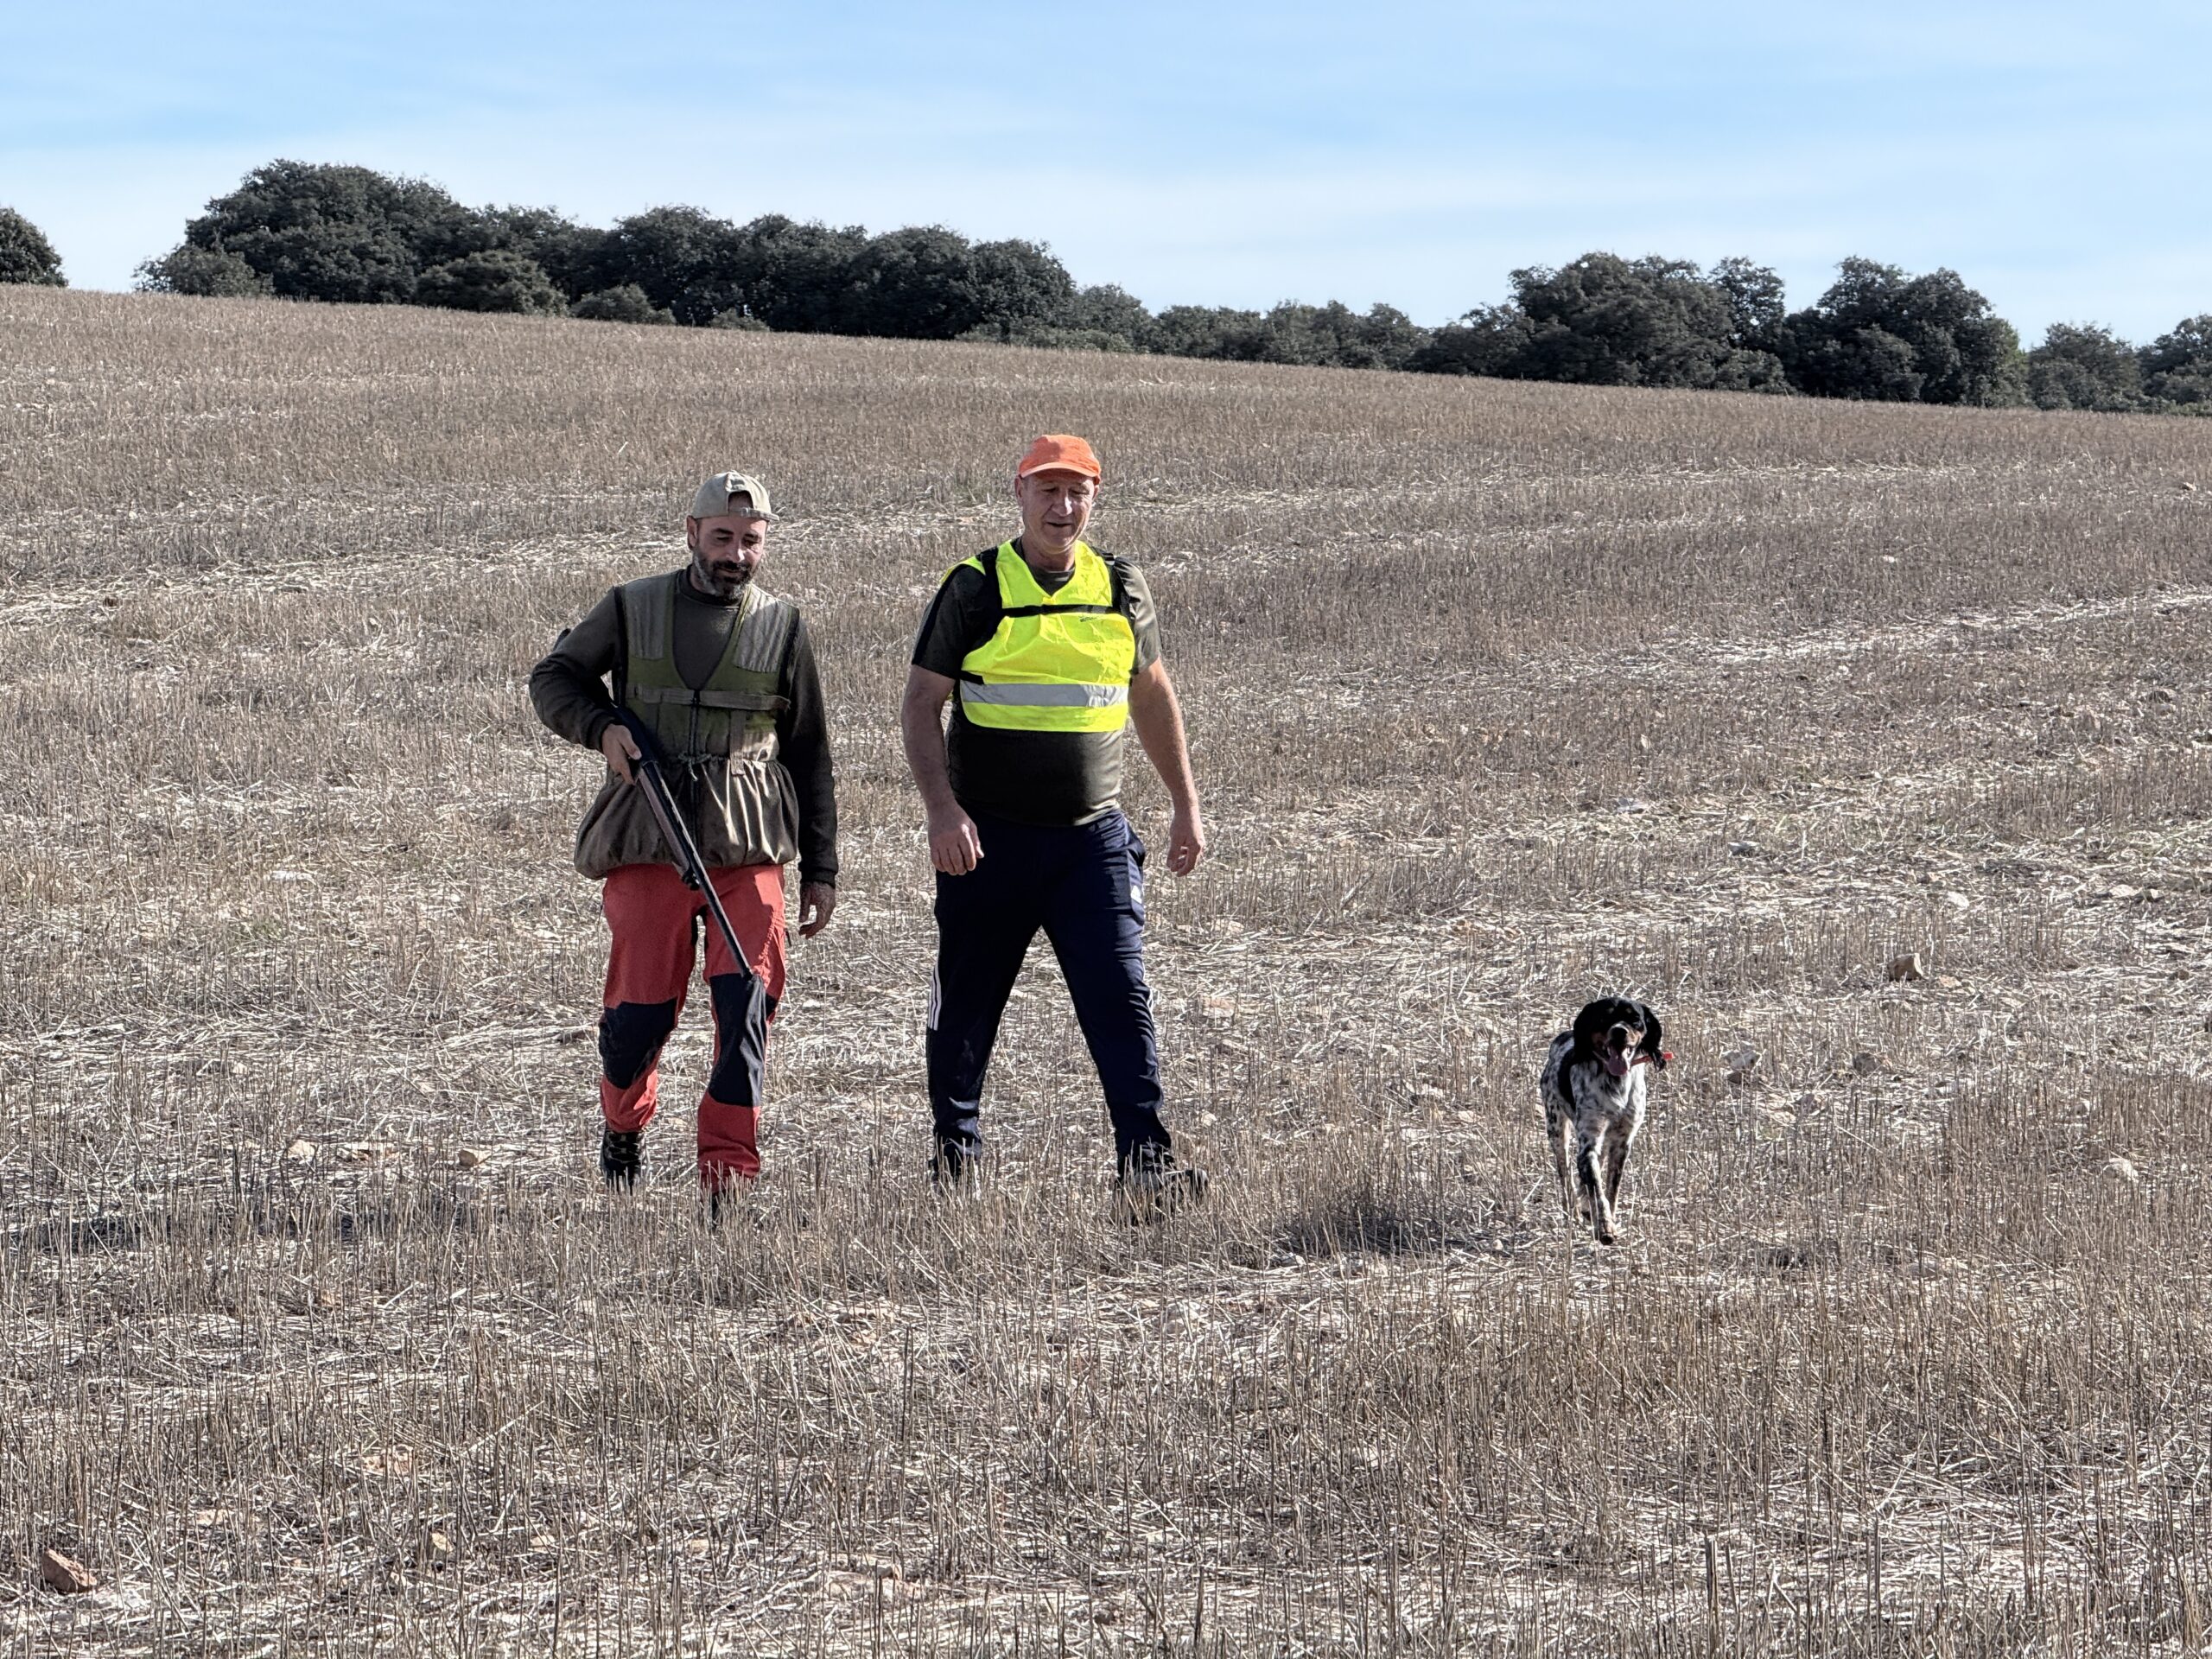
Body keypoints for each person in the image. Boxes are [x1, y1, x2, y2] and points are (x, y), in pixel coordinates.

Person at [899, 434, 1207, 1210]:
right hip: (987, 842)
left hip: (1092, 842)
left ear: (1094, 499)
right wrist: (942, 810)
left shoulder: (1121, 586)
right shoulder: (975, 586)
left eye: (1077, 493)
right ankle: (954, 1165)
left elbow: (1150, 695)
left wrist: (1185, 804)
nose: (1062, 507)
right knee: (966, 1008)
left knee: (1122, 1001)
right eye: (1048, 490)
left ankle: (1147, 1166)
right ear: (1020, 492)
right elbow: (921, 702)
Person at [530, 471, 837, 1194]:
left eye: (751, 541)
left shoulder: (782, 625)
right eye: (722, 537)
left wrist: (822, 868)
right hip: (649, 840)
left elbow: (810, 752)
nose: (736, 554)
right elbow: (554, 679)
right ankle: (624, 1123)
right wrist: (602, 727)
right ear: (692, 532)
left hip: (747, 848)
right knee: (635, 1022)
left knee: (748, 1009)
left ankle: (727, 1178)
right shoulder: (631, 606)